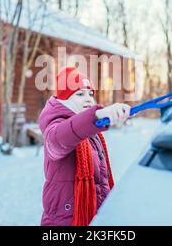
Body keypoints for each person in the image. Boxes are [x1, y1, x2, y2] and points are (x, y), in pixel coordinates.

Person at [39, 66, 131, 226]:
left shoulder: (90, 131)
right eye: (80, 94)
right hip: (65, 221)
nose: (88, 99)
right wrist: (96, 115)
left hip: (94, 217)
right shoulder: (55, 127)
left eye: (90, 94)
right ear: (64, 100)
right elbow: (59, 139)